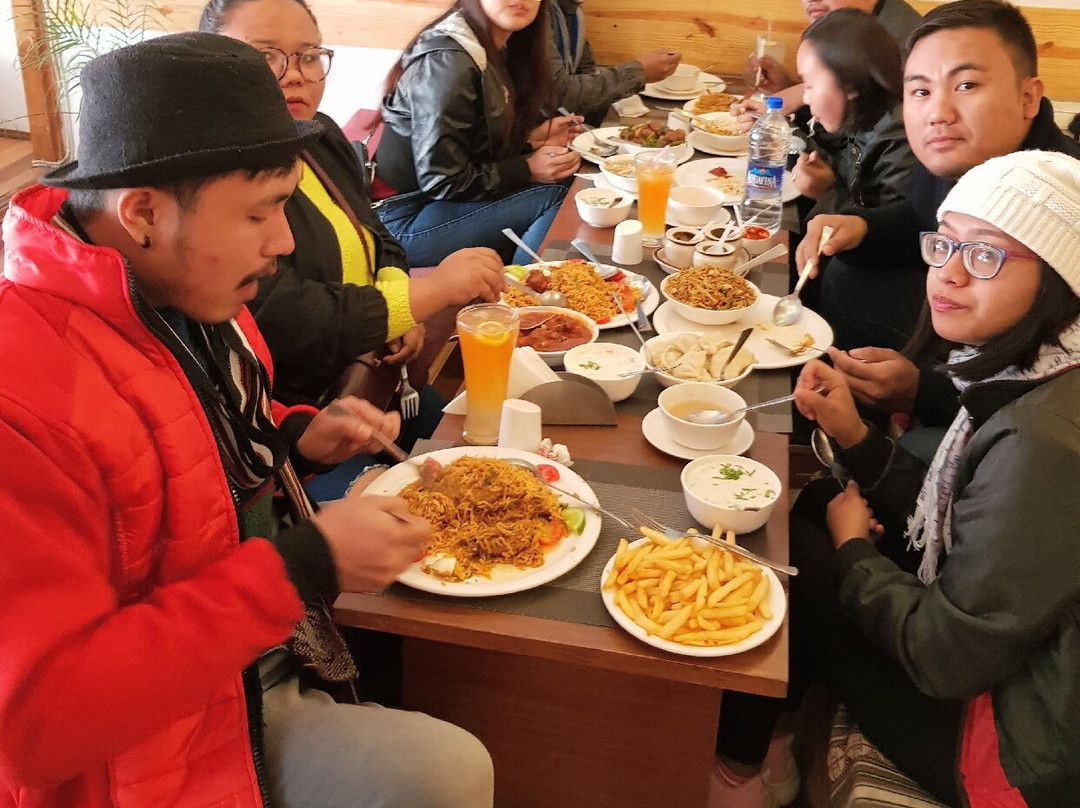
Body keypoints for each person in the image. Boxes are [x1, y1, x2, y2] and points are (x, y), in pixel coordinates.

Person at [0, 33, 494, 808]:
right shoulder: (23, 403)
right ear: (143, 213)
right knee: (449, 771)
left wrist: (294, 433)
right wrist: (303, 567)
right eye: (261, 212)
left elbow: (202, 424)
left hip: (251, 637)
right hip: (155, 742)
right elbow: (34, 729)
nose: (284, 241)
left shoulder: (183, 290)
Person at [712, 149, 1080, 808]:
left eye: (986, 255)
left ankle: (738, 772)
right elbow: (966, 521)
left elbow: (946, 656)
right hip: (1008, 653)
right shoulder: (1036, 367)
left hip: (1014, 748)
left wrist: (855, 551)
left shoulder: (1043, 440)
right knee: (815, 498)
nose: (949, 273)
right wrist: (856, 436)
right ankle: (771, 736)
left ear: (1060, 278)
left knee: (797, 558)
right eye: (946, 244)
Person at [199, 0, 507, 499]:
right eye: (265, 56)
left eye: (308, 56)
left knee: (494, 456)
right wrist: (426, 296)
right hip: (298, 429)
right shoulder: (213, 182)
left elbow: (378, 235)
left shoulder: (320, 139)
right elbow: (283, 315)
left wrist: (397, 303)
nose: (294, 75)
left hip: (371, 383)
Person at [798, 0, 1080, 446]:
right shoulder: (955, 160)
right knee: (843, 272)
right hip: (970, 354)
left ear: (1028, 98)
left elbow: (1050, 388)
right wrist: (861, 227)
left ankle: (889, 453)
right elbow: (920, 222)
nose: (938, 113)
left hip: (1028, 431)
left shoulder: (1059, 203)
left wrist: (923, 390)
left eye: (966, 85)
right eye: (920, 91)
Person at [375, 0, 581, 267]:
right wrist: (527, 169)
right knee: (555, 195)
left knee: (567, 179)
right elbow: (443, 181)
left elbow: (469, 146)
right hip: (399, 221)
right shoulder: (449, 61)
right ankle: (525, 290)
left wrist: (529, 142)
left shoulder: (495, 44)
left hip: (431, 203)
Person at [789, 9, 920, 351]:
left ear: (849, 86)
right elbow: (834, 156)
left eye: (810, 85)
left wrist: (826, 190)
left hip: (888, 295)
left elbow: (892, 238)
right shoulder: (861, 116)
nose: (805, 98)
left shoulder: (899, 135)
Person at [738, 0, 920, 118]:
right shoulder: (852, 29)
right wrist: (788, 86)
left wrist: (801, 92)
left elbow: (858, 143)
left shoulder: (906, 41)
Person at [548, 0, 680, 126]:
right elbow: (557, 94)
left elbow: (585, 71)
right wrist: (638, 73)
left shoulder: (572, 10)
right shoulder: (541, 13)